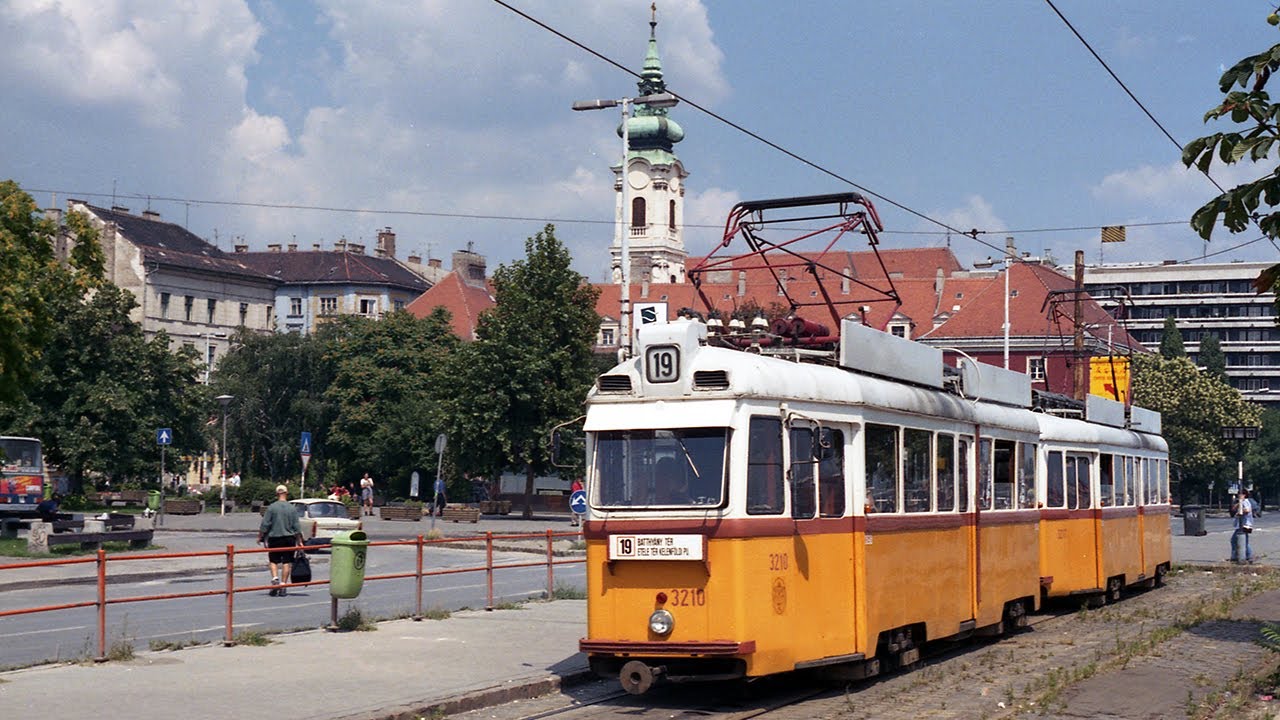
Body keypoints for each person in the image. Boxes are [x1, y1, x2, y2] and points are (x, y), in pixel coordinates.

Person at [258, 484, 302, 596]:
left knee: (273, 560)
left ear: (277, 494)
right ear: (286, 493)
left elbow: (265, 524)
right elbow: (296, 526)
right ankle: (283, 585)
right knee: (287, 562)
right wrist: (299, 541)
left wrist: (260, 536)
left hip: (274, 537)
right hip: (289, 538)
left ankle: (275, 578)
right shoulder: (292, 508)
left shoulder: (272, 507)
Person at [1230, 488, 1255, 564]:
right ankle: (1249, 556)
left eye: (1240, 494)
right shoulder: (1242, 502)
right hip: (1243, 525)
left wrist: (1240, 512)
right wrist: (1239, 503)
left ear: (1244, 495)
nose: (1239, 495)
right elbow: (1233, 508)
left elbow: (1248, 510)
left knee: (1234, 540)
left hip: (1244, 525)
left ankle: (1235, 557)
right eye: (1238, 494)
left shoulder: (1246, 502)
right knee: (1244, 541)